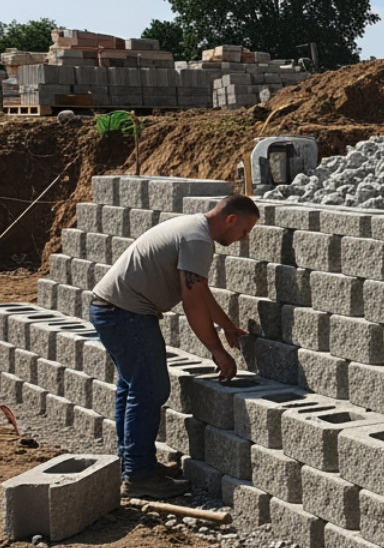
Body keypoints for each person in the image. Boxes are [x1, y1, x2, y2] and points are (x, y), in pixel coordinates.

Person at [89, 194, 259, 498]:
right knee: (150, 388)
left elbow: (200, 290)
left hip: (113, 309)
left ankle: (134, 464)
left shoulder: (193, 228)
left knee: (133, 387)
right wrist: (218, 351)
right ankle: (139, 475)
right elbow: (192, 302)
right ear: (230, 219)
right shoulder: (198, 241)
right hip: (126, 314)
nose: (244, 238)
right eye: (244, 230)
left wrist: (227, 325)